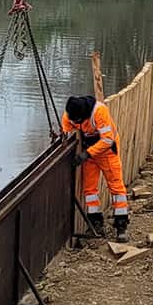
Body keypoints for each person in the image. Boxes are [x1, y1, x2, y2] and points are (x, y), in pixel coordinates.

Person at [62, 95, 130, 241]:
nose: (74, 123)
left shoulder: (99, 112)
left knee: (117, 188)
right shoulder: (69, 115)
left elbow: (107, 139)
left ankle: (121, 225)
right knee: (89, 190)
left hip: (107, 153)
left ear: (83, 116)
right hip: (89, 153)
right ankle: (95, 223)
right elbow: (66, 134)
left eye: (77, 121)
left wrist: (86, 154)